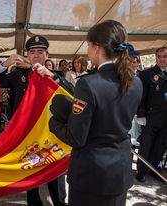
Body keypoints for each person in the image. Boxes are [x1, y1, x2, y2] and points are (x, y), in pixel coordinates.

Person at [49, 20, 143, 206]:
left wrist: (53, 123)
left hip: (92, 176)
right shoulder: (135, 81)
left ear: (97, 47)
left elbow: (76, 138)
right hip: (119, 173)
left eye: (89, 46)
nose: (88, 51)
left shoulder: (88, 84)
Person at [0, 35, 69, 206]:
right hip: (27, 131)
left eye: (40, 52)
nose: (35, 55)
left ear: (46, 55)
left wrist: (51, 76)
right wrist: (7, 62)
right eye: (32, 52)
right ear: (27, 55)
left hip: (50, 131)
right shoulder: (19, 74)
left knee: (52, 170)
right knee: (30, 168)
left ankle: (58, 201)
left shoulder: (54, 75)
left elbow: (72, 92)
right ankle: (34, 202)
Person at [136, 47, 167, 182]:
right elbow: (141, 96)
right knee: (146, 146)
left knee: (160, 146)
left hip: (166, 119)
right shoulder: (147, 74)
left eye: (164, 56)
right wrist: (141, 114)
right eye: (159, 56)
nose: (161, 59)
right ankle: (141, 171)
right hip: (151, 117)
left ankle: (154, 169)